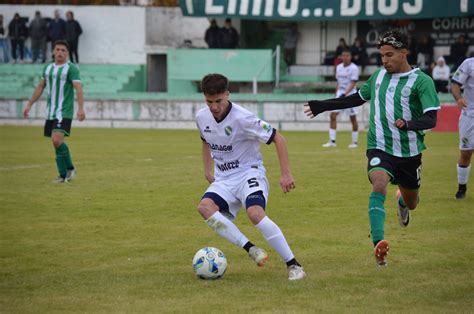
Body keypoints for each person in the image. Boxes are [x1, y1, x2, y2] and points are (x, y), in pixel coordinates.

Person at [304, 30, 440, 266]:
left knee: (412, 202)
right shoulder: (378, 77)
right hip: (379, 146)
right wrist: (322, 106)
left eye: (390, 55)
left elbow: (431, 119)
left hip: (409, 152)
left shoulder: (422, 81)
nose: (385, 60)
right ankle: (378, 243)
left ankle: (402, 202)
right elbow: (356, 98)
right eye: (382, 56)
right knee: (378, 183)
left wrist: (409, 124)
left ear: (403, 53)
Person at [196, 73, 305, 280]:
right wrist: (207, 170)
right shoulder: (202, 117)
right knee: (204, 208)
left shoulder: (243, 118)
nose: (214, 107)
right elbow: (205, 140)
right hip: (224, 179)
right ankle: (251, 249)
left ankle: (294, 265)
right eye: (209, 102)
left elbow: (278, 139)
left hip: (248, 173)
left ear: (227, 94)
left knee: (255, 213)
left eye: (218, 101)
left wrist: (286, 174)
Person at [23, 40, 85, 183]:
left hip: (64, 111)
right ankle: (62, 175)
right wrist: (29, 104)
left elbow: (78, 88)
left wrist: (81, 108)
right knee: (55, 143)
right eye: (57, 49)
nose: (60, 53)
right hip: (51, 111)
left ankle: (69, 168)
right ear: (53, 51)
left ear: (67, 53)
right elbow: (40, 87)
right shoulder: (48, 68)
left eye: (63, 50)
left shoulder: (71, 69)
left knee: (56, 139)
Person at [322, 49, 360, 148]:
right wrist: (337, 95)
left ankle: (354, 142)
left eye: (347, 55)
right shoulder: (338, 67)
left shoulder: (354, 68)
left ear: (350, 57)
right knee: (333, 115)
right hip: (340, 94)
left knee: (353, 118)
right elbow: (339, 82)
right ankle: (332, 141)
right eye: (344, 55)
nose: (345, 57)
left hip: (351, 95)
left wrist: (345, 94)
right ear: (341, 57)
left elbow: (353, 82)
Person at [451, 57, 474, 199]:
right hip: (469, 114)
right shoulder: (469, 63)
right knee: (466, 153)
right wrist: (458, 98)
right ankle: (462, 188)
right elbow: (455, 84)